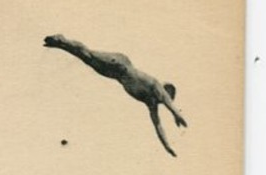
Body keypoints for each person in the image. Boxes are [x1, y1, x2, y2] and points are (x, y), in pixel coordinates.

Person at [43, 33, 188, 157]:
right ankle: (62, 40)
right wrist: (177, 115)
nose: (163, 100)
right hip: (120, 64)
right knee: (88, 54)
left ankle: (61, 44)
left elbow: (158, 125)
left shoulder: (150, 102)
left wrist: (167, 147)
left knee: (87, 58)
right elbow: (170, 105)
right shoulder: (156, 87)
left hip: (115, 74)